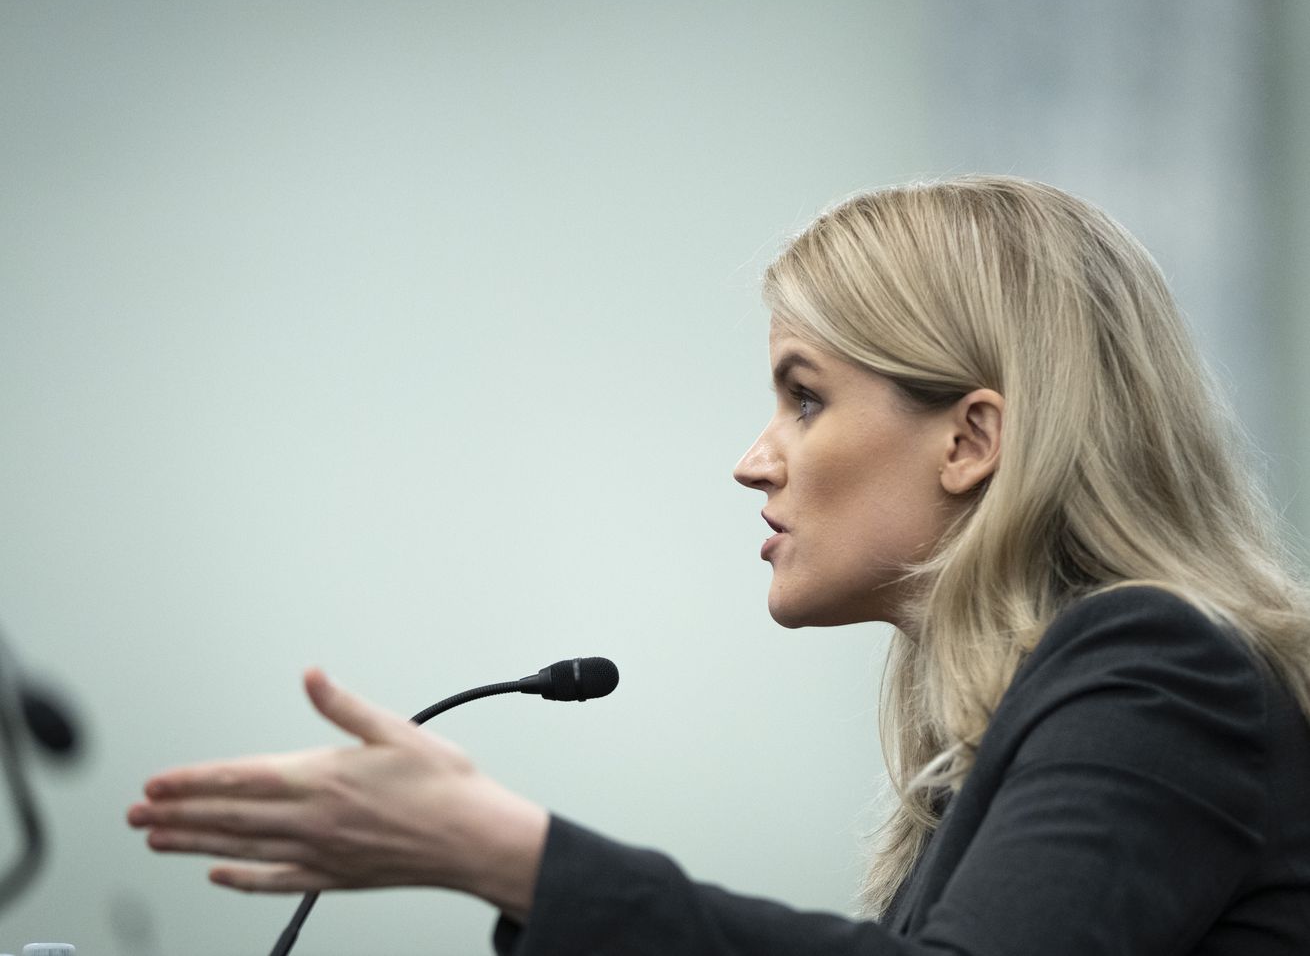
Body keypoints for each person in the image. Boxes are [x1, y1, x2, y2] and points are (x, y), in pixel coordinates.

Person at [127, 175, 1310, 953]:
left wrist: (501, 849)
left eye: (803, 398)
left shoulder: (1159, 671)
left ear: (969, 439)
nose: (752, 460)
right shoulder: (1034, 719)